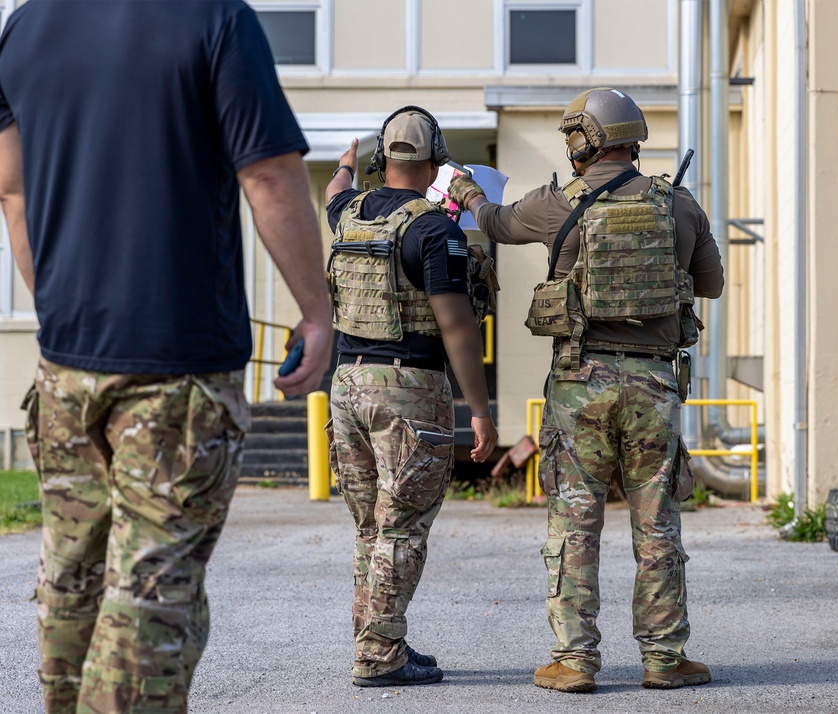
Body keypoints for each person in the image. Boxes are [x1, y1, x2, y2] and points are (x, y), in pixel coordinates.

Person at [0, 2, 333, 711]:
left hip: (65, 365)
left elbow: (13, 188)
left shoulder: (26, 27)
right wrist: (317, 310)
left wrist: (60, 308)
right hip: (177, 367)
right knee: (150, 593)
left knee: (72, 573)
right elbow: (269, 177)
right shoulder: (215, 20)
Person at [449, 87, 724, 693]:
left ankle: (574, 661)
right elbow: (711, 285)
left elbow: (492, 221)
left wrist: (467, 187)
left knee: (575, 522)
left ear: (582, 140)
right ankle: (664, 658)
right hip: (654, 383)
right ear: (635, 138)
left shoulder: (557, 202)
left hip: (581, 381)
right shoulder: (678, 204)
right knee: (658, 524)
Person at [324, 107, 499, 687]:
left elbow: (334, 189)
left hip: (346, 386)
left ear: (383, 157)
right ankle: (378, 656)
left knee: (371, 528)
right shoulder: (433, 230)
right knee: (401, 527)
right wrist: (478, 410)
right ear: (437, 160)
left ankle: (380, 641)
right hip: (408, 389)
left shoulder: (347, 213)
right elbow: (456, 327)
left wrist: (345, 167)